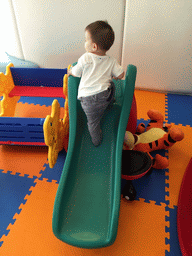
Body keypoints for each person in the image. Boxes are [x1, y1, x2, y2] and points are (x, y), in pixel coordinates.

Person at [68, 20, 124, 146]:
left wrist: (70, 71)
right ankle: (110, 104)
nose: (84, 42)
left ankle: (96, 140)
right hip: (105, 96)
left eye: (85, 40)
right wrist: (115, 77)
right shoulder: (111, 60)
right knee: (112, 85)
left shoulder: (85, 58)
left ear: (94, 46)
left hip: (87, 101)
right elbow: (121, 75)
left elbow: (76, 72)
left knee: (93, 123)